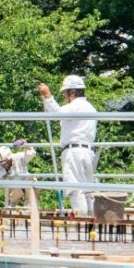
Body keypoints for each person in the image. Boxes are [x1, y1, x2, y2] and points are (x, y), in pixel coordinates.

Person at [37, 74, 98, 218]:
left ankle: (82, 221)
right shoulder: (90, 107)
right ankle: (92, 220)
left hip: (74, 151)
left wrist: (48, 96)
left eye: (65, 93)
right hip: (88, 152)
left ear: (71, 92)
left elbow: (57, 113)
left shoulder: (76, 106)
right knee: (88, 190)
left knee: (75, 188)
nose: (65, 96)